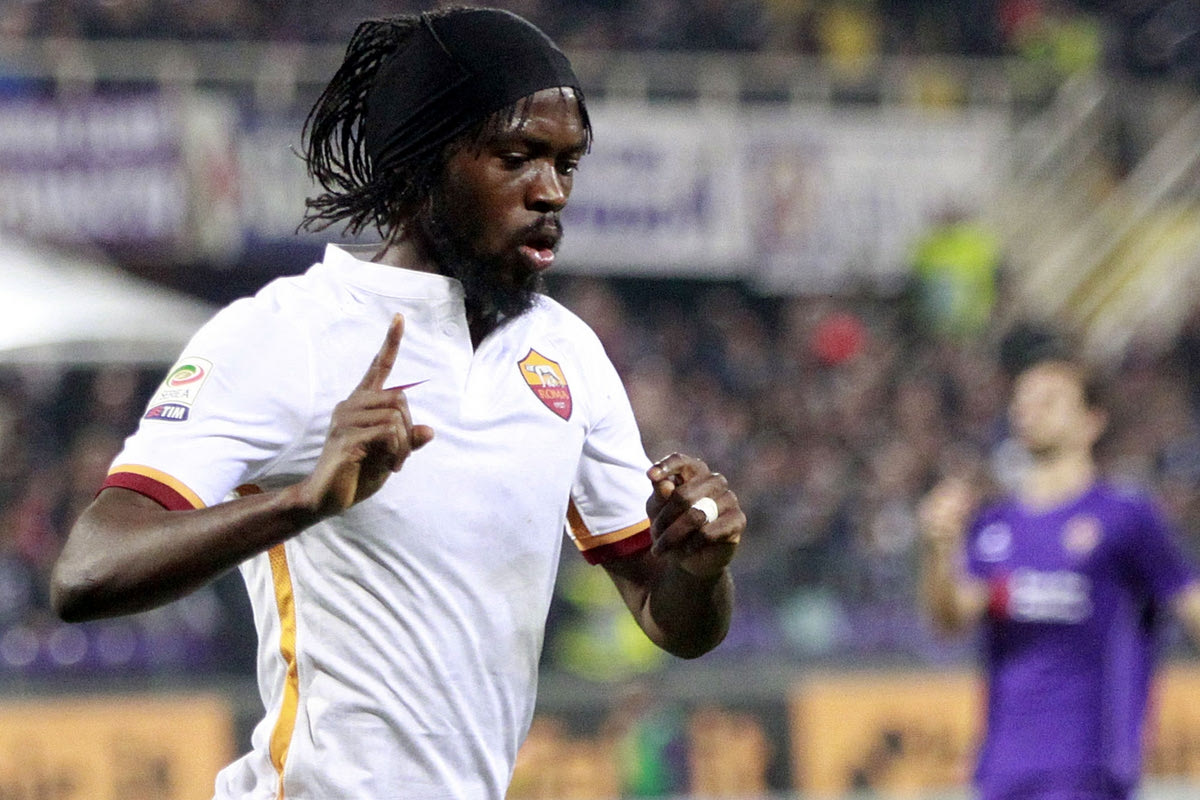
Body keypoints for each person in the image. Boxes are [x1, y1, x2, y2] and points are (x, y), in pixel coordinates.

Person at [49, 8, 745, 799]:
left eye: (566, 163)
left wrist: (700, 569)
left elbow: (671, 619)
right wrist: (302, 503)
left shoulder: (568, 353)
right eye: (517, 157)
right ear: (422, 164)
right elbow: (86, 572)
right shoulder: (287, 333)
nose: (550, 191)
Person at [919, 340, 1200, 800]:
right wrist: (938, 549)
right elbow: (951, 620)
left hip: (1090, 763)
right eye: (1022, 400)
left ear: (1092, 421)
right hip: (1003, 766)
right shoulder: (994, 526)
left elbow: (1189, 604)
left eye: (1049, 400)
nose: (1029, 410)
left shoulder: (1124, 517)